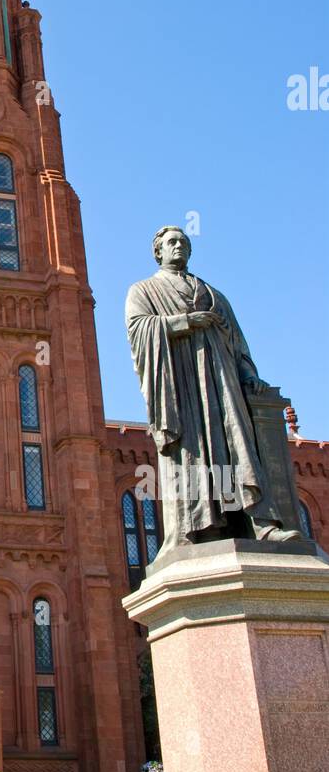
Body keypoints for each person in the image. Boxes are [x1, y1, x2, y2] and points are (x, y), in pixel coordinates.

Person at [125, 225, 302, 559]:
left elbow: (237, 343)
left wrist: (249, 375)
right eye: (171, 242)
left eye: (183, 242)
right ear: (158, 252)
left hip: (223, 386)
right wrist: (185, 323)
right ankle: (206, 524)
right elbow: (139, 329)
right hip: (183, 389)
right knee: (197, 452)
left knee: (237, 447)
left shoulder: (213, 294)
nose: (178, 247)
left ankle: (259, 522)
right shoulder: (143, 290)